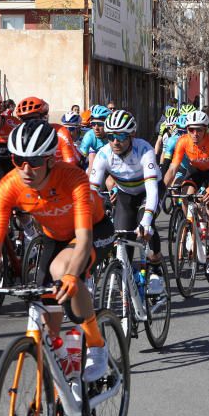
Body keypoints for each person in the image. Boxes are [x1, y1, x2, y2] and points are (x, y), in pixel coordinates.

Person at [0, 121, 112, 383]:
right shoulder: (9, 186)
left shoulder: (73, 178)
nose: (26, 169)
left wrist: (72, 276)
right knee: (49, 318)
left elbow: (84, 239)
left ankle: (97, 345)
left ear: (51, 160)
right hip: (53, 237)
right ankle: (64, 378)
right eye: (19, 160)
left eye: (35, 162)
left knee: (61, 271)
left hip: (93, 231)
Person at [88, 111, 165, 295]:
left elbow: (153, 189)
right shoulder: (104, 154)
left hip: (149, 190)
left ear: (132, 136)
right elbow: (91, 191)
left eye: (121, 136)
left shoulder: (144, 150)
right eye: (111, 136)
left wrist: (147, 220)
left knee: (144, 224)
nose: (115, 141)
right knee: (122, 240)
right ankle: (127, 284)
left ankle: (155, 270)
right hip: (126, 194)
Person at [163, 110, 209, 276]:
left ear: (205, 129)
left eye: (199, 130)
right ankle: (190, 227)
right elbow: (173, 168)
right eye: (191, 129)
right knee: (185, 195)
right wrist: (161, 188)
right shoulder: (183, 141)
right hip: (195, 172)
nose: (195, 133)